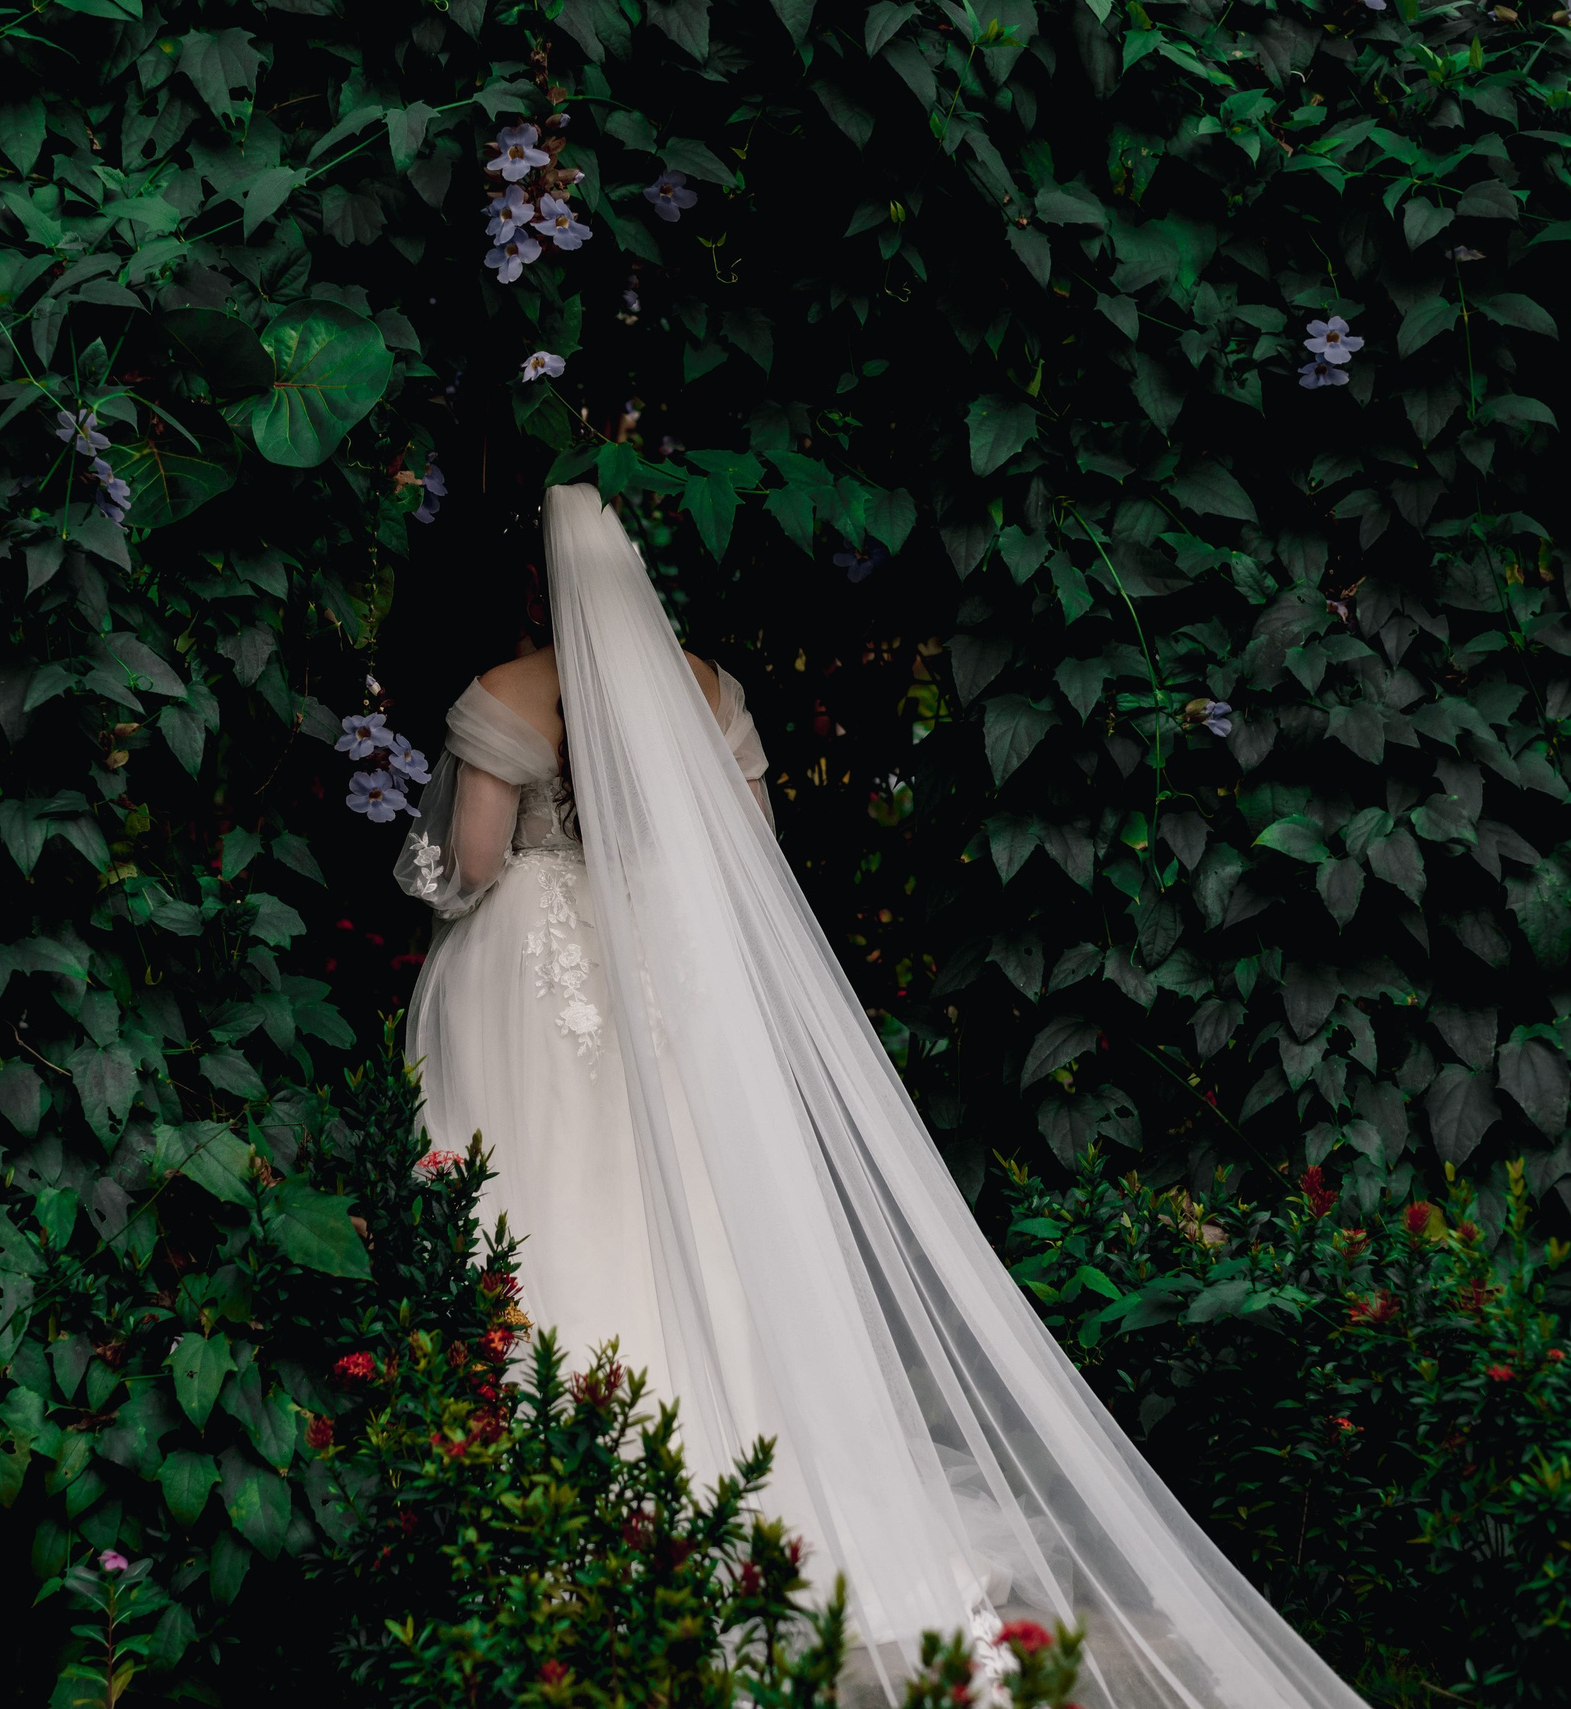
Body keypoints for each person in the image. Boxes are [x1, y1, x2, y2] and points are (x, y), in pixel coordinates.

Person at [395, 485, 1365, 1709]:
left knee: (548, 1186)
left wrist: (458, 873)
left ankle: (564, 1491)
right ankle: (752, 1473)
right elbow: (751, 859)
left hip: (535, 979)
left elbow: (473, 864)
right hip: (662, 972)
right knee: (693, 1195)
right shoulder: (707, 689)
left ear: (540, 581)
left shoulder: (506, 691)